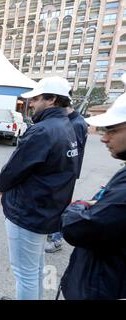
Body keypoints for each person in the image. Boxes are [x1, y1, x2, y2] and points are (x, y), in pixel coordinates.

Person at [0, 76, 79, 300]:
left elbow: (14, 169)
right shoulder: (65, 126)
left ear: (51, 99)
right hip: (45, 210)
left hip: (29, 212)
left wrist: (1, 186)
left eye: (36, 98)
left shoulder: (43, 130)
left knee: (25, 273)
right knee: (35, 269)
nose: (31, 103)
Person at [60, 92, 126, 300]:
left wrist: (77, 206)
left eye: (112, 130)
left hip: (101, 287)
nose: (104, 137)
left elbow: (79, 227)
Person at [45, 103, 88, 253]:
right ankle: (52, 233)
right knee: (55, 203)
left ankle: (57, 239)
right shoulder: (73, 121)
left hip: (66, 172)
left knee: (59, 205)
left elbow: (70, 151)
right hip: (64, 172)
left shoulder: (76, 123)